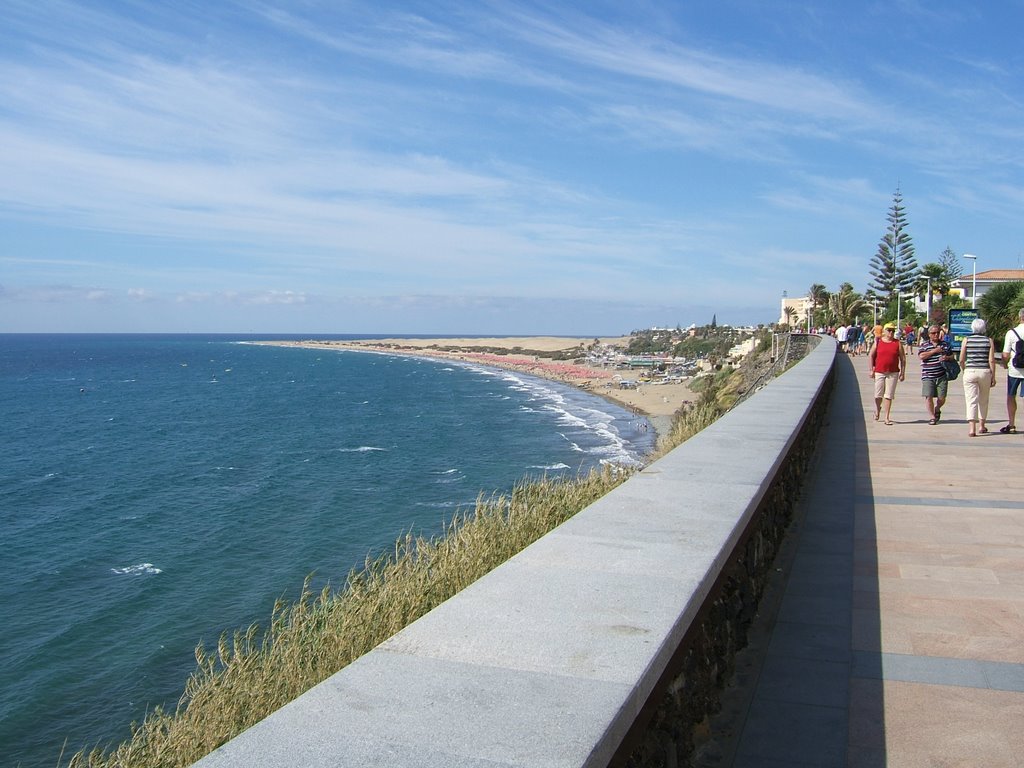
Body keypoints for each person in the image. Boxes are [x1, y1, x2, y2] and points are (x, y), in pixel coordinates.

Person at [959, 317, 997, 437]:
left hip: (970, 371)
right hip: (984, 371)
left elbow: (961, 359)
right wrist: (993, 375)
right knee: (983, 399)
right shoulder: (989, 340)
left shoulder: (966, 340)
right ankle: (982, 425)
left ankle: (972, 428)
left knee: (971, 400)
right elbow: (991, 360)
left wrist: (965, 369)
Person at [869, 322, 906, 425]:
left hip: (893, 372)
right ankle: (877, 409)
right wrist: (871, 369)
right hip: (879, 371)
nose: (891, 332)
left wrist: (903, 372)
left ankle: (886, 417)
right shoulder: (878, 342)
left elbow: (903, 359)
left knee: (888, 395)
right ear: (884, 331)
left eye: (893, 331)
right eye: (889, 330)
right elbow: (871, 355)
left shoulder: (897, 343)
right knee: (878, 395)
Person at [918, 325, 953, 424]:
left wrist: (947, 358)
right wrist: (934, 351)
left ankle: (937, 408)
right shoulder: (924, 345)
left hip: (942, 375)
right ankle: (932, 417)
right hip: (928, 375)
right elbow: (921, 356)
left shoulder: (945, 344)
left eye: (938, 332)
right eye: (933, 333)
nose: (936, 335)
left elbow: (952, 356)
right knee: (928, 396)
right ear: (929, 334)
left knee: (942, 398)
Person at [1000, 307, 1024, 433]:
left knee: (1011, 396)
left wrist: (1005, 364)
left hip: (1014, 369)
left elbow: (1005, 354)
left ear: (1020, 317)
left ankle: (1012, 424)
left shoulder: (1012, 333)